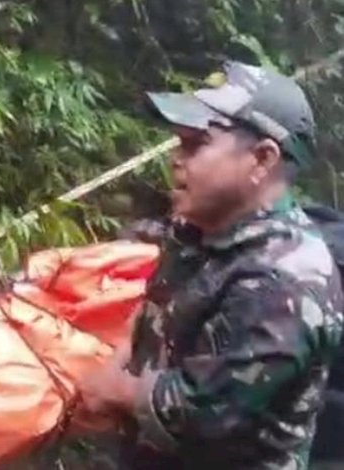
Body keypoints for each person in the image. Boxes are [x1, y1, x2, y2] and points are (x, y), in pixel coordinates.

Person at [78, 60, 344, 468]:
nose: (176, 159)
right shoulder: (199, 233)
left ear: (261, 158)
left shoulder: (283, 280)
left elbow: (205, 411)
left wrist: (115, 390)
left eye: (195, 144)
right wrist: (121, 356)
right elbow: (157, 309)